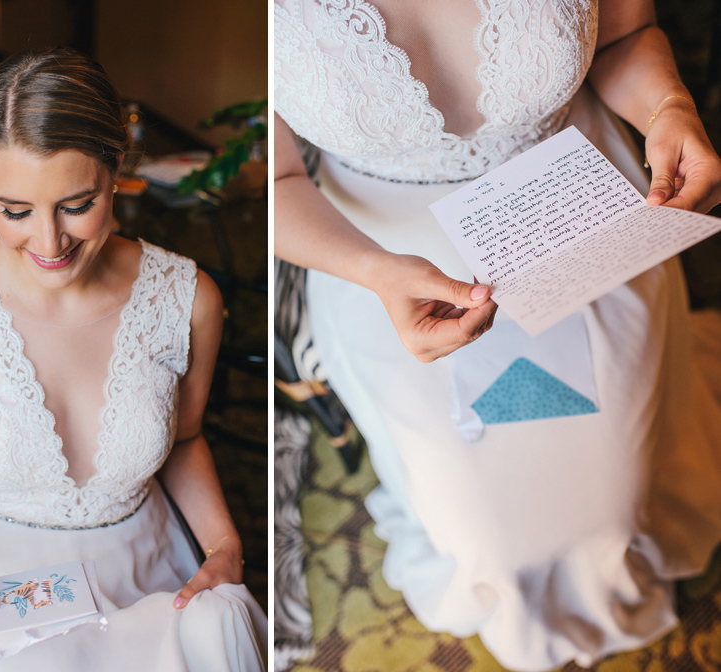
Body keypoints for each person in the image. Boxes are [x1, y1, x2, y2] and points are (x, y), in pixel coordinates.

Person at [274, 0, 721, 670]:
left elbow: (624, 36)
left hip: (578, 210)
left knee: (615, 496)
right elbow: (277, 181)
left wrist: (668, 108)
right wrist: (377, 272)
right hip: (384, 265)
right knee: (480, 524)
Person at [0, 48, 267, 672]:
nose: (50, 243)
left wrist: (223, 543)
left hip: (145, 576)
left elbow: (185, 439)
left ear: (117, 169)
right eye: (15, 211)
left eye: (77, 204)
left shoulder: (187, 299)